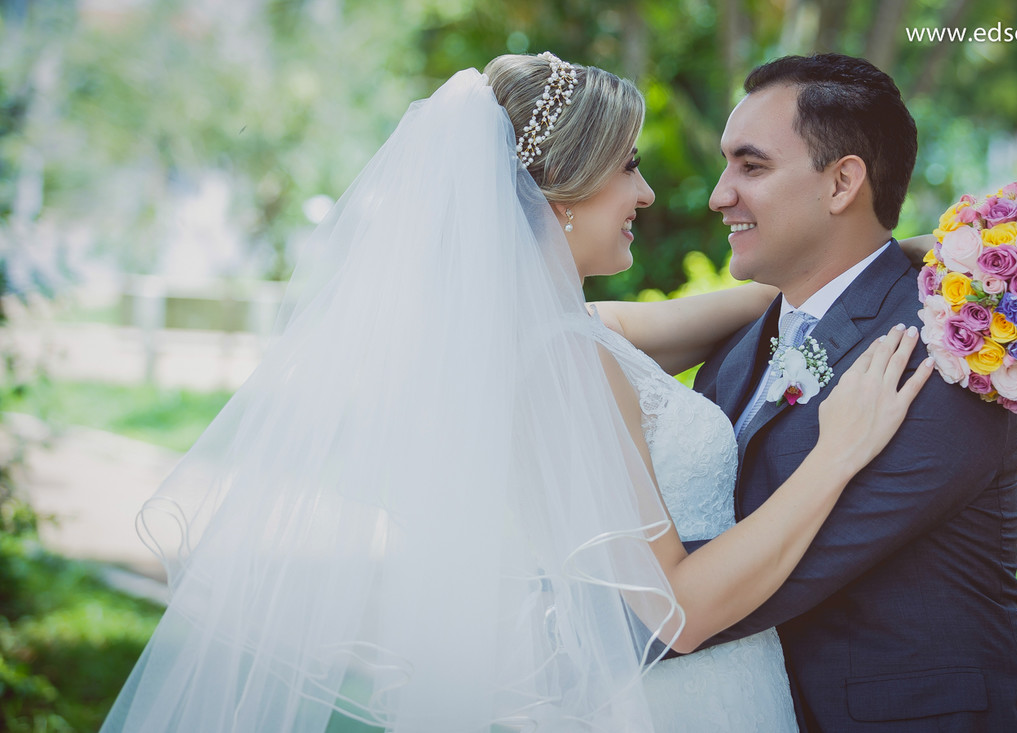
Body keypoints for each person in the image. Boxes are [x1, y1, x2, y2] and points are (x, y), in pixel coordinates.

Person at [99, 53, 931, 732]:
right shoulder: (568, 361)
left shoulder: (548, 334)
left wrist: (915, 254)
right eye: (627, 167)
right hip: (679, 702)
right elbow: (674, 611)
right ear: (559, 192)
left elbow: (755, 302)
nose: (646, 193)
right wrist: (838, 455)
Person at [603, 53, 1017, 732]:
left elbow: (725, 596)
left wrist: (557, 633)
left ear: (844, 181)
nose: (719, 194)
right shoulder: (736, 352)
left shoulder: (939, 360)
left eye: (751, 167)